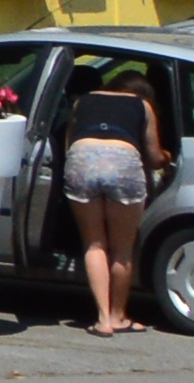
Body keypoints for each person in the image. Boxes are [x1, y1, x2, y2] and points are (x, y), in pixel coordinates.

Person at [55, 52, 172, 334]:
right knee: (122, 250)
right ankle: (119, 316)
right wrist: (168, 156)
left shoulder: (83, 100)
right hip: (123, 162)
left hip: (82, 160)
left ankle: (102, 319)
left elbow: (69, 145)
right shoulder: (143, 106)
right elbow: (154, 157)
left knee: (94, 244)